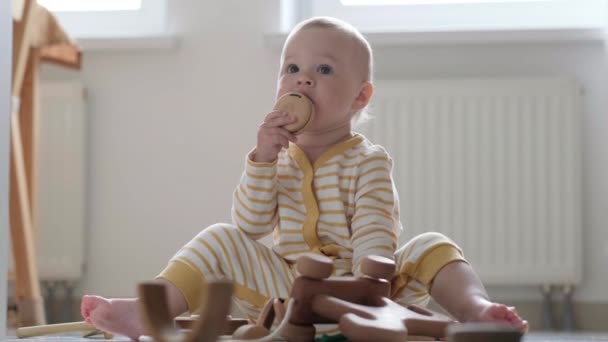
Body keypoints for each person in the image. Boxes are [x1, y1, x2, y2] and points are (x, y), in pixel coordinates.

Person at [81, 16, 528, 340]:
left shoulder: (368, 161)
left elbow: (377, 232)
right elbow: (251, 227)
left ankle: (477, 310)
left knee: (432, 245)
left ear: (360, 96)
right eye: (292, 69)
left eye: (324, 70)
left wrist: (366, 287)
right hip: (289, 286)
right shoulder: (276, 157)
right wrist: (260, 160)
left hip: (367, 287)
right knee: (219, 237)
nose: (304, 80)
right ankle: (149, 309)